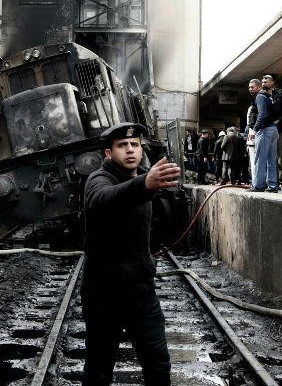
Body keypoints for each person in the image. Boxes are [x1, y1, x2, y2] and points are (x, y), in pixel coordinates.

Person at [81, 123, 180, 385]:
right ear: (108, 153)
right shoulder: (99, 179)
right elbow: (103, 199)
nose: (129, 150)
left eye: (134, 144)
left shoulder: (147, 177)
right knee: (99, 370)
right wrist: (144, 185)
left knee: (158, 364)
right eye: (122, 145)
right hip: (103, 295)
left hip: (141, 292)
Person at [247, 77, 279, 192]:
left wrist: (255, 129)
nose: (250, 89)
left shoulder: (259, 97)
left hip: (265, 130)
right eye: (249, 87)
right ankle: (273, 185)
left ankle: (259, 185)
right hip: (273, 129)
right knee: (271, 159)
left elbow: (262, 115)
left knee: (260, 158)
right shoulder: (266, 96)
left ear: (259, 87)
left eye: (252, 87)